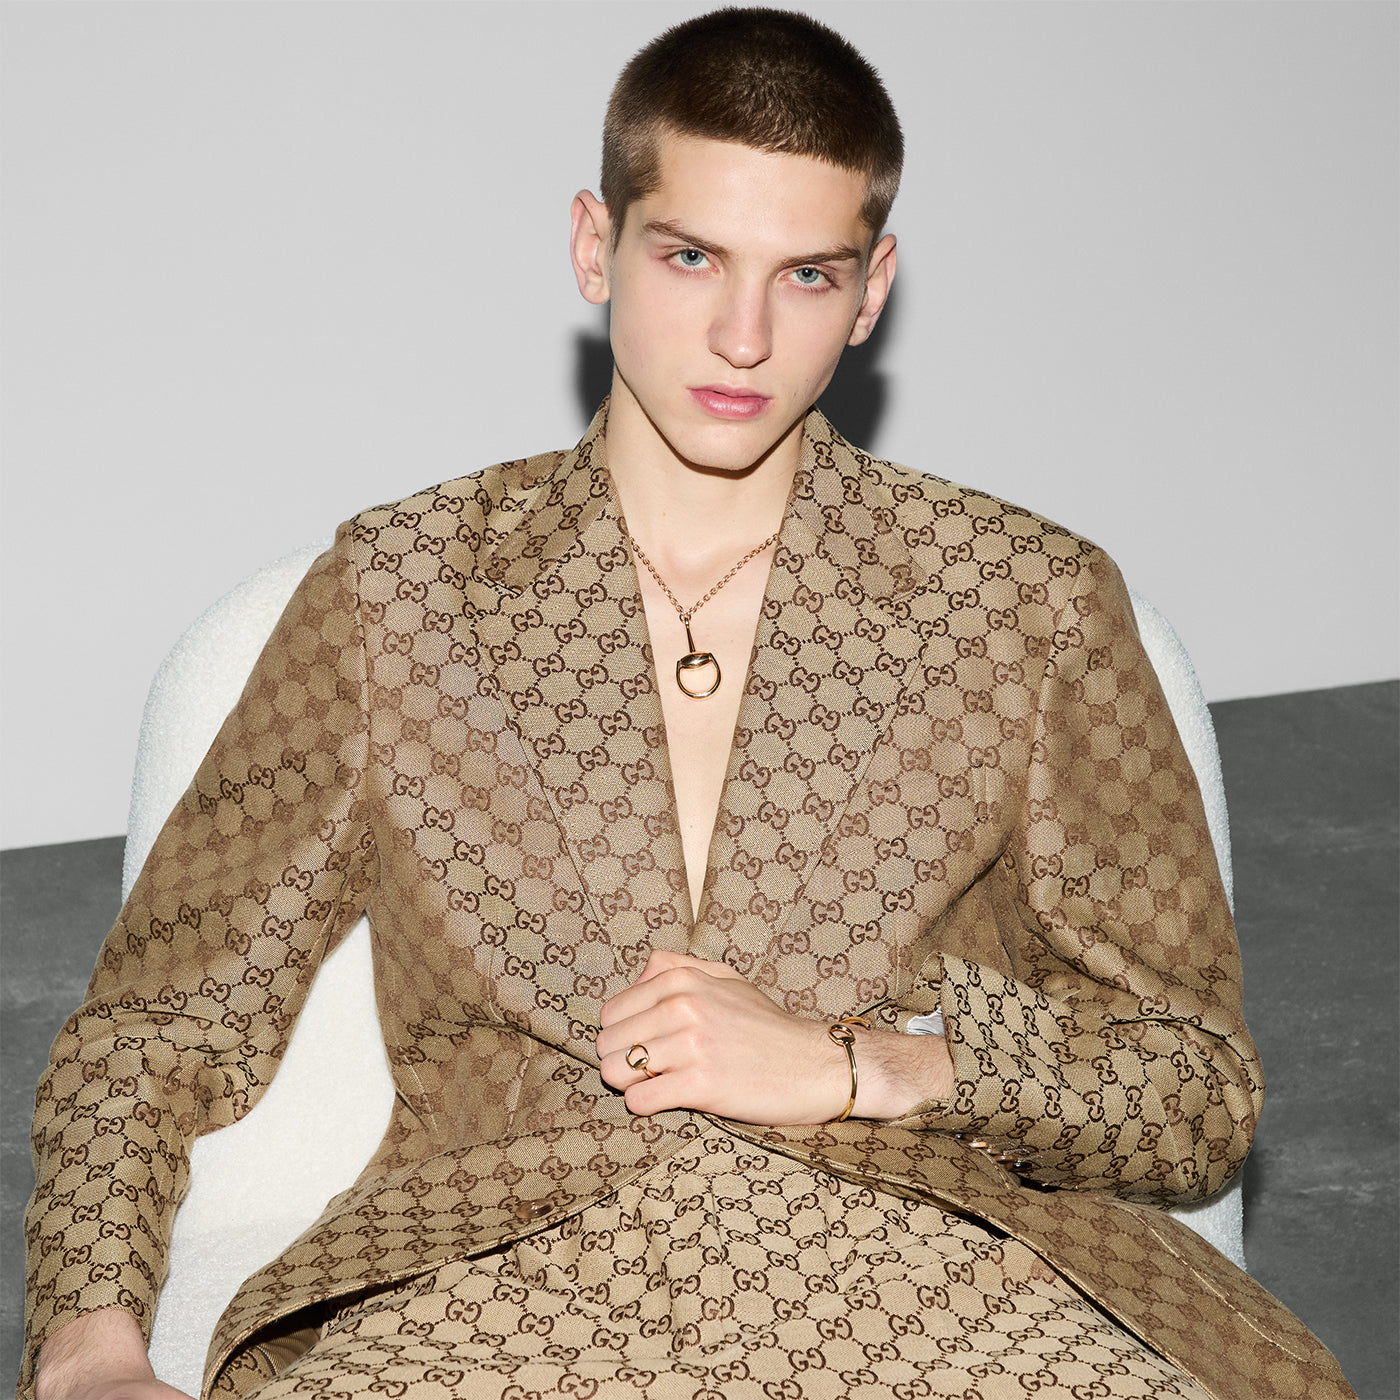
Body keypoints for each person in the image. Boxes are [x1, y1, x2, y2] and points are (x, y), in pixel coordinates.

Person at [22, 9, 1354, 1400]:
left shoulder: (1029, 602)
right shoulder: (397, 595)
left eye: (808, 275)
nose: (743, 333)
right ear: (596, 245)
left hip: (947, 1279)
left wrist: (870, 1067)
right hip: (489, 1300)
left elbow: (1197, 1094)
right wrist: (89, 1343)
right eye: (692, 256)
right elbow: (159, 1023)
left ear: (873, 288)